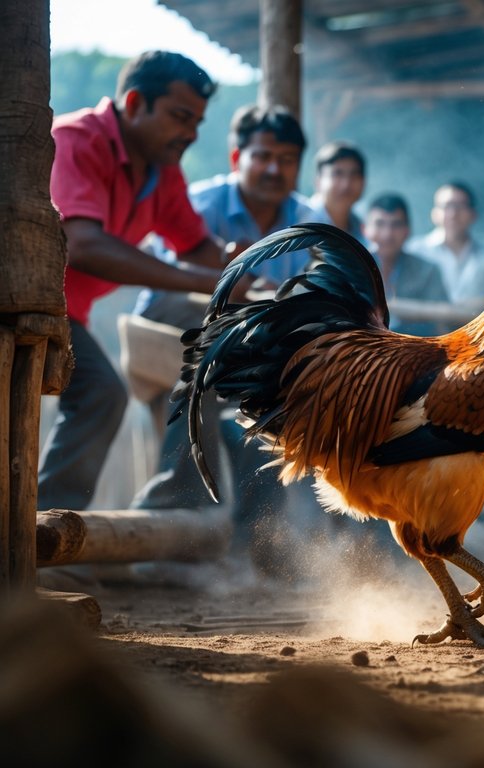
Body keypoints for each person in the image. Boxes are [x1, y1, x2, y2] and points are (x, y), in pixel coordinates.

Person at [38, 51, 230, 511]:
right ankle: (34, 542)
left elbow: (199, 246)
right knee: (99, 393)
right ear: (136, 102)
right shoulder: (75, 139)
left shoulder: (162, 171)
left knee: (101, 395)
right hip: (24, 303)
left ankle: (41, 541)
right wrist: (208, 280)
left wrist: (242, 267)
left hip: (63, 314)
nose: (190, 133)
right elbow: (83, 244)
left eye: (198, 122)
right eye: (180, 117)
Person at [132, 104, 319, 567]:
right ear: (237, 157)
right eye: (263, 156)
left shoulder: (311, 224)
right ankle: (174, 536)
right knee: (200, 372)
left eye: (287, 158)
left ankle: (262, 547)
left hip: (251, 361)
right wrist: (218, 283)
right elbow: (157, 292)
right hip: (167, 346)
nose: (274, 168)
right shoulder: (199, 205)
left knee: (271, 408)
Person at [408, 181, 484, 318]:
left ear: (473, 214)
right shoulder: (414, 251)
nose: (453, 213)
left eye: (460, 206)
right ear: (434, 213)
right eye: (446, 206)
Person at [363, 193, 451, 337]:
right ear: (365, 229)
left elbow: (441, 326)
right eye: (380, 224)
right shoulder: (351, 268)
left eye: (396, 224)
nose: (387, 234)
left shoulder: (427, 270)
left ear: (407, 231)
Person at [307, 140, 366, 243]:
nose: (346, 184)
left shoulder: (362, 229)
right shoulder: (301, 221)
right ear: (318, 181)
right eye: (337, 174)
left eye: (354, 174)